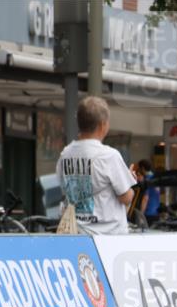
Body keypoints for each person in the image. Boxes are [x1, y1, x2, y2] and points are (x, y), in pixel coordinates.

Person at [57, 96, 138, 235]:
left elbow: (66, 190)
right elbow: (126, 197)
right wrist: (130, 181)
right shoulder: (109, 156)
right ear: (102, 125)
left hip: (77, 233)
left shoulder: (65, 155)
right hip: (108, 238)